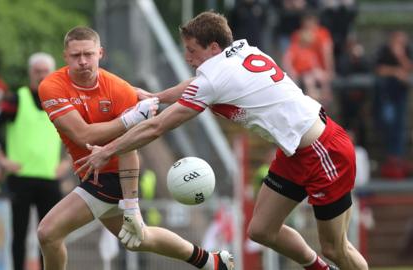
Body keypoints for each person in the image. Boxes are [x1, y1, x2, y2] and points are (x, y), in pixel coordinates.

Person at [76, 12, 369, 270]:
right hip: (295, 151)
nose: (187, 58)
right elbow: (197, 83)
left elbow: (156, 127)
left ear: (214, 47)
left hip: (323, 151)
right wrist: (156, 97)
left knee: (336, 248)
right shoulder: (240, 51)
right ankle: (318, 268)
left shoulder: (215, 79)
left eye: (192, 51)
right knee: (262, 230)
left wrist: (108, 150)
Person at [36, 26, 234, 270]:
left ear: (101, 53)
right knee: (139, 239)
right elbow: (81, 135)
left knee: (48, 232)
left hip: (111, 176)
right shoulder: (51, 86)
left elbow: (130, 147)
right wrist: (129, 120)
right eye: (76, 56)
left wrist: (131, 205)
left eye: (88, 54)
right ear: (65, 57)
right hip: (90, 172)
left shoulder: (119, 90)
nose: (83, 61)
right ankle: (210, 261)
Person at [0, 52, 67, 270]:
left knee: (51, 234)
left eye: (45, 71)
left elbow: (78, 131)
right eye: (37, 71)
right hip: (20, 178)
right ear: (30, 73)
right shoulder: (16, 99)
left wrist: (68, 162)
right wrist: (2, 159)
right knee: (19, 234)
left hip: (49, 177)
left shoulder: (60, 101)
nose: (41, 75)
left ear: (52, 73)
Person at [374, 31, 412, 179]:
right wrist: (396, 71)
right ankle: (390, 157)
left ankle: (396, 159)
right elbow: (379, 69)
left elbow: (409, 68)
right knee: (387, 122)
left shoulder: (406, 50)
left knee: (399, 127)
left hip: (400, 95)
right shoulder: (383, 50)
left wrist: (400, 55)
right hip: (385, 95)